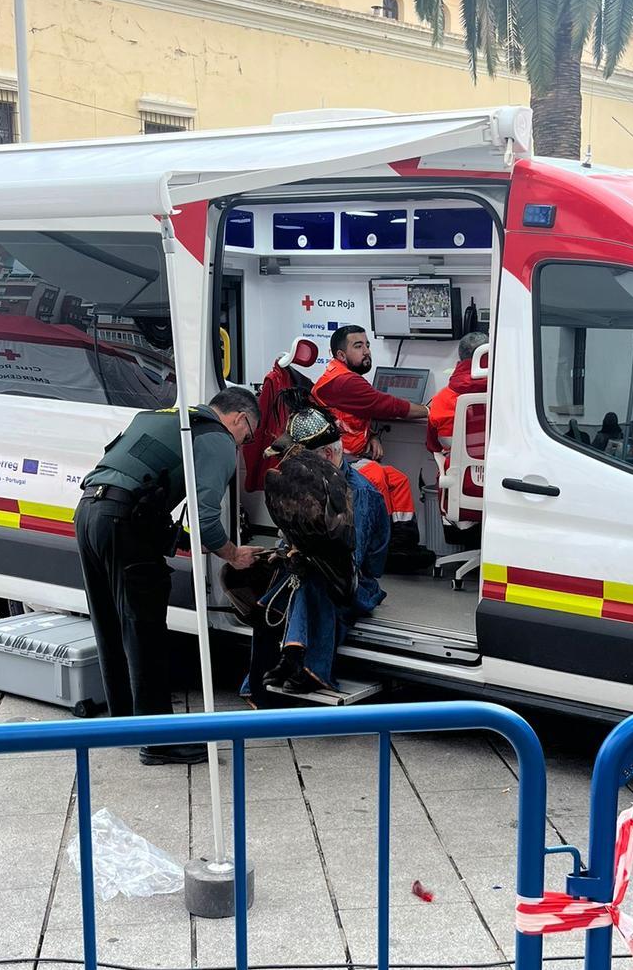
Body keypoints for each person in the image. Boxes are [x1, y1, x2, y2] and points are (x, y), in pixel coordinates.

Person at [74, 385, 260, 765]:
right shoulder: (216, 438)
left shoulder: (167, 418)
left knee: (110, 624)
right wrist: (232, 554)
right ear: (239, 418)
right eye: (249, 435)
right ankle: (159, 741)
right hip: (125, 523)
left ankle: (125, 724)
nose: (243, 444)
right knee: (145, 631)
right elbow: (206, 515)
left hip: (89, 513)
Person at [242, 404, 389, 702]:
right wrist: (286, 553)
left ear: (328, 454)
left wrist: (303, 560)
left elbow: (352, 563)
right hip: (321, 569)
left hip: (355, 581)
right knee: (274, 594)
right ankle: (283, 664)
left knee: (313, 584)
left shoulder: (357, 492)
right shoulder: (310, 479)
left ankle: (303, 664)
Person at [311, 324, 433, 571]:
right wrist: (428, 411)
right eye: (359, 346)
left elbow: (358, 414)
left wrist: (374, 435)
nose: (366, 351)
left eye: (367, 345)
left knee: (397, 479)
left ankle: (401, 544)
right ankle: (378, 547)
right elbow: (386, 405)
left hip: (352, 455)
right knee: (376, 475)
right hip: (334, 460)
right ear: (341, 355)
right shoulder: (343, 381)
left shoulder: (347, 378)